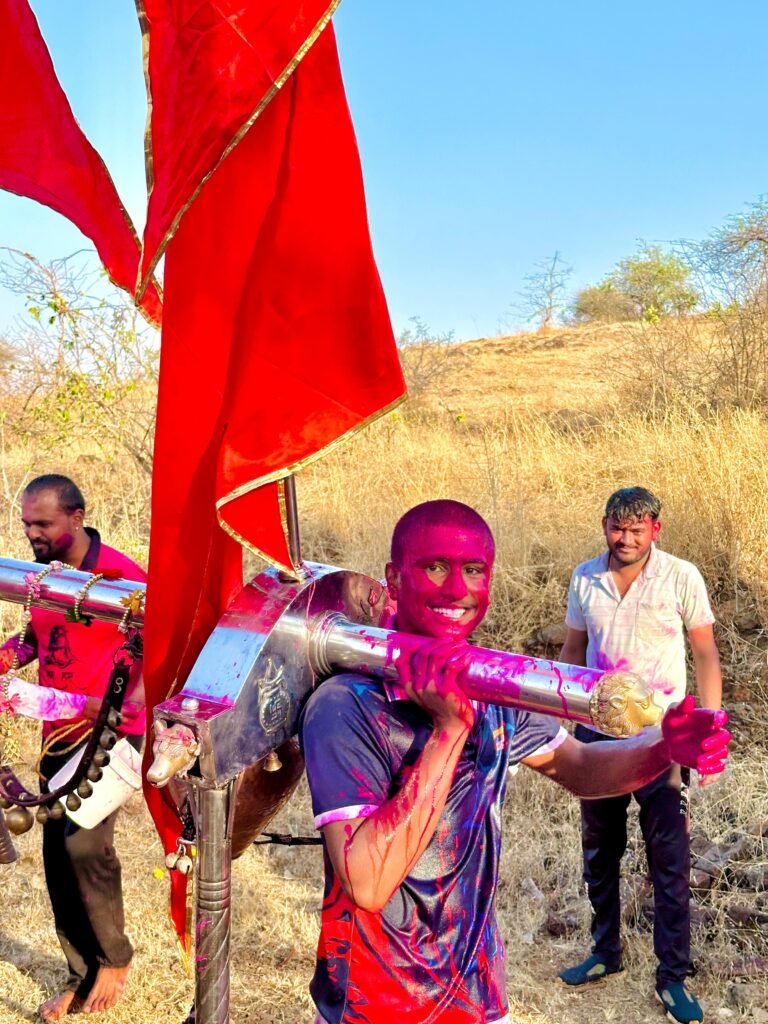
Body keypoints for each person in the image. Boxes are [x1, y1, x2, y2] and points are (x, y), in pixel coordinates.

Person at [298, 499, 730, 1024]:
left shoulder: (496, 690)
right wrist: (449, 732)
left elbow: (581, 769)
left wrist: (666, 748)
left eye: (473, 570)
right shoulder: (345, 706)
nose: (456, 589)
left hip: (478, 998)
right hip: (374, 1006)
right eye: (434, 567)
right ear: (394, 577)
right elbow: (365, 883)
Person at [557, 486, 722, 1024]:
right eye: (616, 528)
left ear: (655, 529)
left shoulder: (680, 576)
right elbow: (573, 650)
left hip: (662, 739)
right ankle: (606, 952)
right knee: (599, 851)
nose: (624, 539)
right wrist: (561, 717)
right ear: (604, 524)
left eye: (636, 529)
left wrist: (706, 729)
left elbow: (704, 653)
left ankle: (672, 977)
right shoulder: (586, 576)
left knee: (668, 860)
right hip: (598, 733)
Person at [0, 474, 146, 1021]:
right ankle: (77, 976)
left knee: (84, 845)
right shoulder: (43, 579)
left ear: (77, 517)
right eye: (26, 525)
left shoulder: (122, 578)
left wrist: (126, 706)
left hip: (111, 734)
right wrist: (4, 661)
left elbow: (161, 644)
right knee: (58, 855)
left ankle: (114, 958)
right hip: (56, 735)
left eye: (43, 524)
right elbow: (37, 640)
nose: (32, 534)